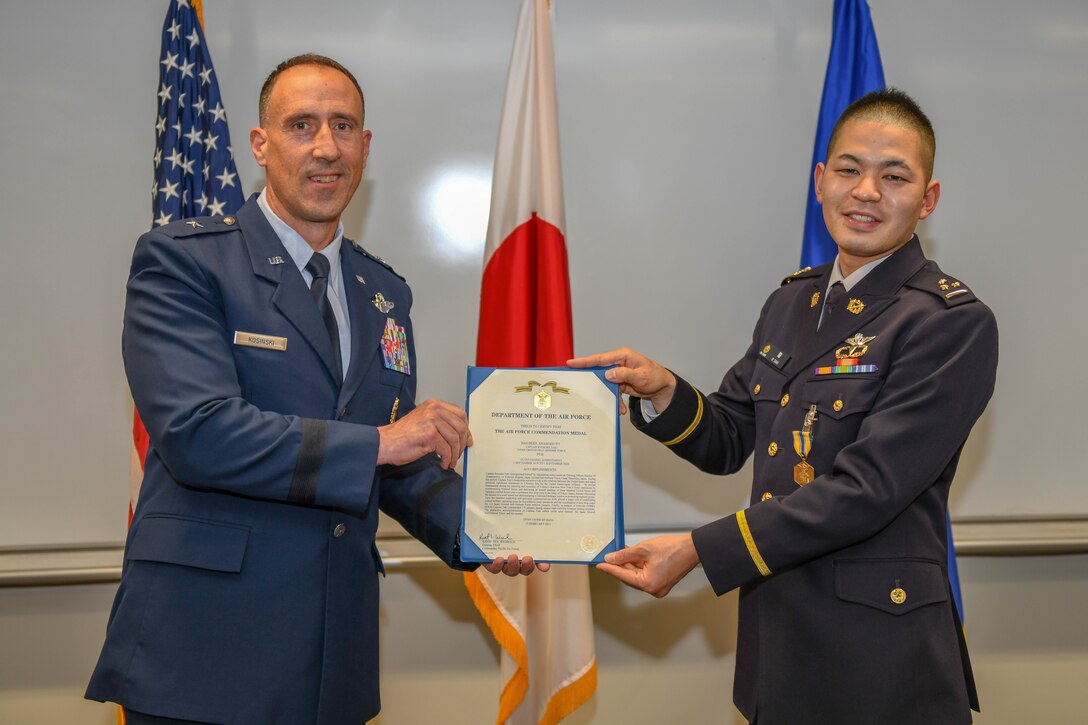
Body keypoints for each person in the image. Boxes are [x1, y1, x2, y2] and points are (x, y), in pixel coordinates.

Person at [86, 54, 545, 725]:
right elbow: (199, 433)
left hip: (334, 655)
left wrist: (492, 527)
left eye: (343, 126)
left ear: (365, 146)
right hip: (204, 651)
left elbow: (392, 462)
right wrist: (384, 442)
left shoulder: (383, 292)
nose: (326, 147)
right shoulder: (185, 262)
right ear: (260, 143)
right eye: (301, 125)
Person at [571, 89, 996, 724]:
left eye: (894, 176)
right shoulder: (793, 302)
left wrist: (699, 549)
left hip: (879, 659)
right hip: (779, 639)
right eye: (849, 169)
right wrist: (662, 391)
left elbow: (868, 489)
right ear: (820, 181)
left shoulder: (948, 322)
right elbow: (730, 437)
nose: (866, 192)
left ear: (927, 198)